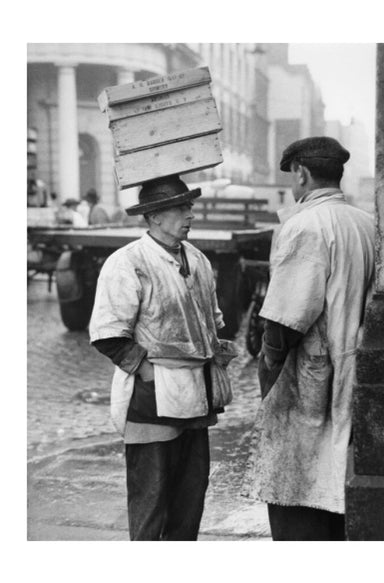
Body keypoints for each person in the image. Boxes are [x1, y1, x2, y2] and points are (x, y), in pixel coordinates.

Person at [241, 137, 375, 541]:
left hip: (312, 378)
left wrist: (268, 375)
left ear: (300, 172)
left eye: (292, 176)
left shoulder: (304, 225)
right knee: (337, 487)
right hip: (355, 367)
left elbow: (285, 318)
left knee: (298, 490)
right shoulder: (365, 221)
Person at [89, 175, 236, 541]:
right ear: (154, 216)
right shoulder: (128, 263)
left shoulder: (198, 260)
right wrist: (148, 372)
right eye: (181, 208)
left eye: (190, 206)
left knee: (189, 499)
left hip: (196, 397)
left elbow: (211, 319)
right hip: (150, 400)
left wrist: (217, 346)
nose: (191, 215)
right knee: (152, 499)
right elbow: (108, 334)